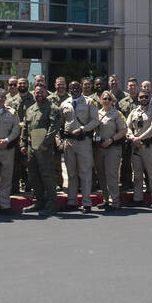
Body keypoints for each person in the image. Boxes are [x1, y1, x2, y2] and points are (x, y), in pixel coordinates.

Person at [22, 84, 62, 214]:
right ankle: (38, 202)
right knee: (33, 175)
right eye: (37, 92)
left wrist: (45, 142)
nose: (39, 94)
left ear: (46, 93)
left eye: (42, 92)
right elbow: (25, 128)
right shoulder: (30, 109)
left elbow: (53, 128)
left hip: (45, 148)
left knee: (47, 176)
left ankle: (50, 204)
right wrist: (23, 144)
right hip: (31, 148)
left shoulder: (52, 108)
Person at [60, 81, 99, 212]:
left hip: (83, 141)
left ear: (81, 88)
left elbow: (95, 120)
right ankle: (72, 201)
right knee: (71, 173)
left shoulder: (89, 102)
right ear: (69, 89)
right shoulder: (64, 104)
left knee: (85, 172)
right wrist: (59, 141)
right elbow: (60, 123)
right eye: (72, 88)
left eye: (77, 87)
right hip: (69, 142)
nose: (74, 89)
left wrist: (82, 129)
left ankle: (86, 203)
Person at [126, 90, 152, 207]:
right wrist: (132, 137)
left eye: (146, 97)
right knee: (137, 174)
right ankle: (137, 198)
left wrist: (139, 138)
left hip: (148, 146)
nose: (144, 99)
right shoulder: (134, 112)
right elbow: (127, 127)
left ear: (150, 97)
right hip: (136, 147)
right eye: (141, 97)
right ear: (138, 99)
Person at [94, 90, 128, 210]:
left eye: (109, 99)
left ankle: (115, 201)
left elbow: (124, 130)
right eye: (104, 98)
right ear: (100, 100)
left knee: (111, 174)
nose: (106, 101)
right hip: (99, 149)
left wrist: (111, 140)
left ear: (112, 101)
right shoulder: (97, 113)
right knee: (101, 175)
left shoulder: (116, 114)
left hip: (112, 148)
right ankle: (105, 199)